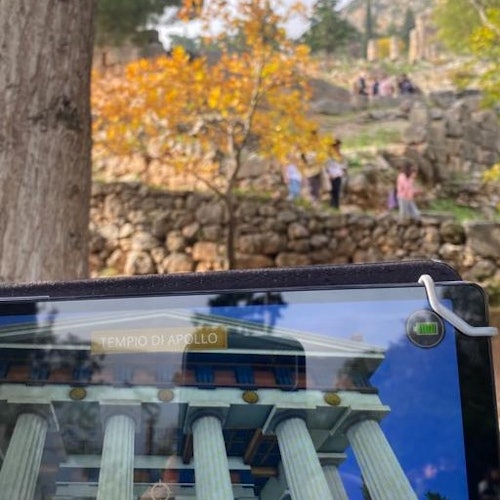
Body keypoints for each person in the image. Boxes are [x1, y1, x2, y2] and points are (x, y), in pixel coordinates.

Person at [326, 139, 347, 209]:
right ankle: (332, 206)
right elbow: (327, 165)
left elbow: (344, 165)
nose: (338, 148)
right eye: (337, 146)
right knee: (332, 191)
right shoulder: (329, 156)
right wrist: (329, 174)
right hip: (331, 175)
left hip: (338, 175)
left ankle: (336, 206)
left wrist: (343, 171)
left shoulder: (341, 155)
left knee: (337, 191)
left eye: (339, 146)